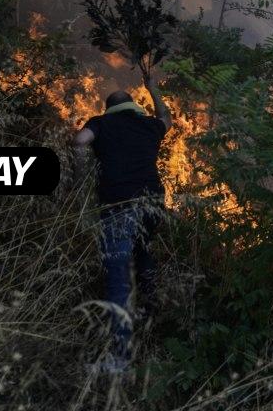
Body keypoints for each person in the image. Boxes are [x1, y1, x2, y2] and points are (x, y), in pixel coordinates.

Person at [72, 69, 171, 372]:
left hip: (119, 206)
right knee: (143, 254)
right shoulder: (149, 125)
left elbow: (80, 141)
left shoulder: (101, 123)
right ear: (133, 107)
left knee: (118, 277)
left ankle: (121, 357)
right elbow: (166, 118)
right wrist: (153, 88)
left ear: (109, 109)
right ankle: (149, 317)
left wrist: (80, 178)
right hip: (153, 204)